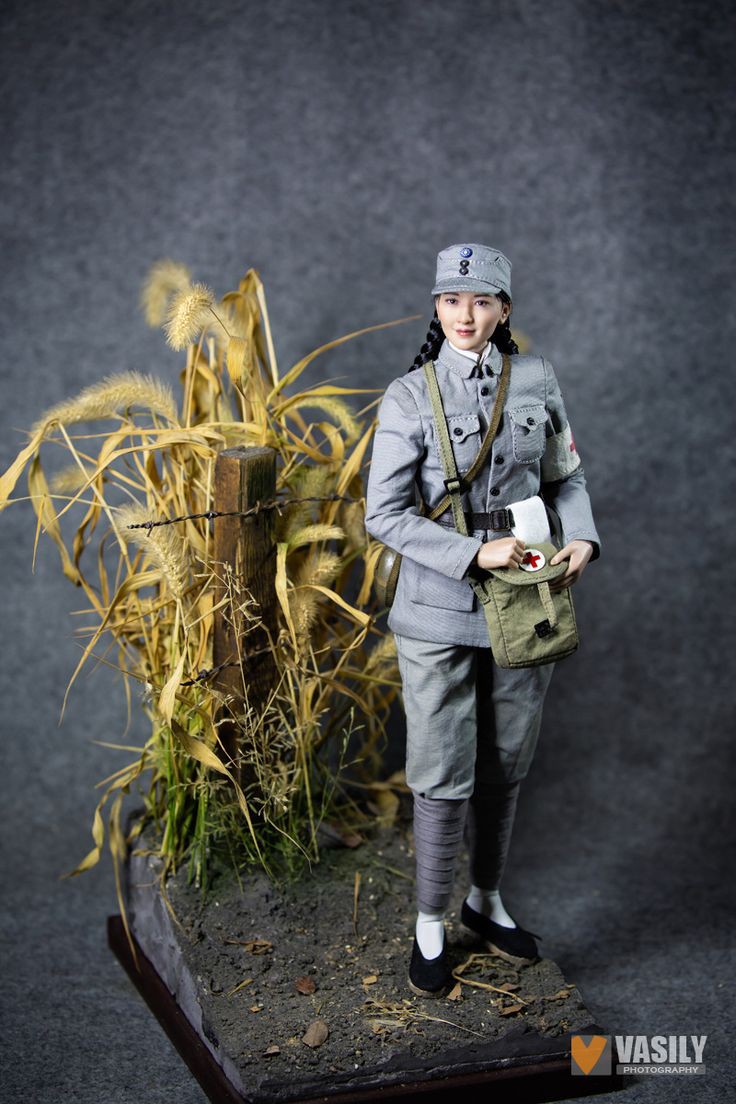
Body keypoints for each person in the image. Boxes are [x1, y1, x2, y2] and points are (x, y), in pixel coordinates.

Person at [364, 243, 600, 997]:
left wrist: (581, 535)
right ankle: (430, 922)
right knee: (441, 769)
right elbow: (384, 515)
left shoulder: (533, 378)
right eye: (450, 301)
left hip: (527, 598)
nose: (464, 315)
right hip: (439, 608)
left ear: (504, 310)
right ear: (436, 308)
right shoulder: (410, 396)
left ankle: (485, 899)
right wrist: (471, 552)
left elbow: (565, 473)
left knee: (507, 759)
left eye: (480, 301)